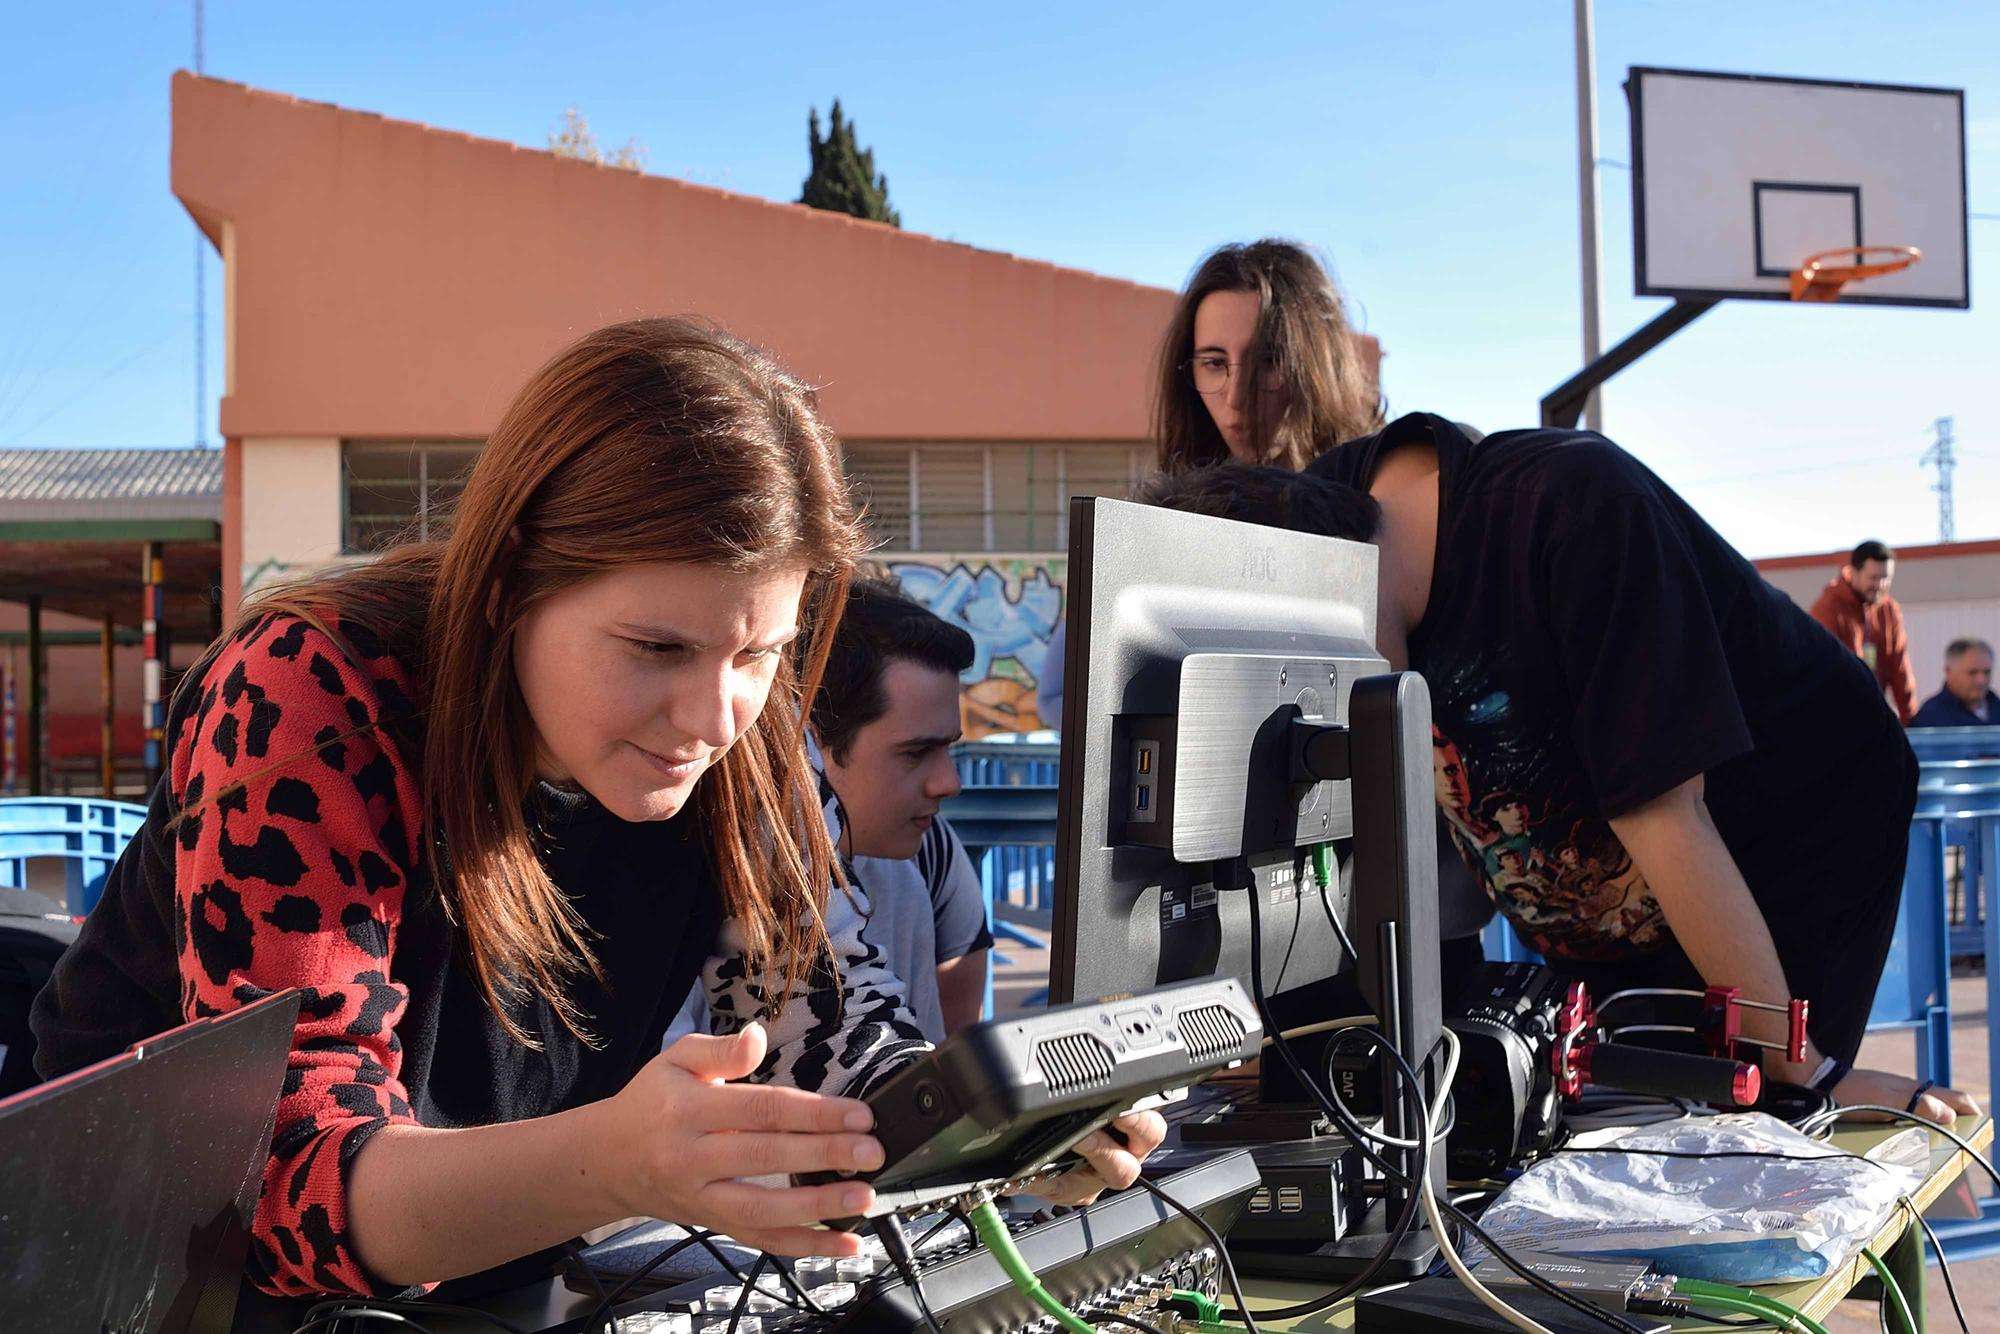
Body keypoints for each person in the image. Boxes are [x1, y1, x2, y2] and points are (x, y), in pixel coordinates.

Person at [28, 319, 1161, 1301]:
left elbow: (836, 1045)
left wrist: (993, 1133)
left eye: (760, 650)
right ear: (513, 577)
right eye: (656, 646)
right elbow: (282, 1190)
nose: (715, 714)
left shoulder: (753, 740)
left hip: (490, 1288)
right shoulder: (311, 693)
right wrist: (614, 1164)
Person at [1136, 417, 1981, 1127]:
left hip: (1778, 837)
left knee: (1752, 1125)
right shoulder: (1316, 517)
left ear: (1331, 587)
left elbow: (1666, 816)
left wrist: (1811, 1076)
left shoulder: (1574, 511)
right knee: (1608, 1131)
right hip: (1609, 889)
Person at [811, 575, 992, 1041]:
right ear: (811, 742)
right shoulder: (710, 877)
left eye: (948, 749)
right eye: (915, 753)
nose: (949, 783)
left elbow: (953, 1061)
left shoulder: (928, 849)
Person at [1153, 239, 1384, 471]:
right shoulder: (1177, 499)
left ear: (1320, 364)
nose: (1236, 398)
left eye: (1269, 361)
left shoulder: (1384, 475)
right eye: (1215, 363)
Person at [1810, 540, 1917, 724]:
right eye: (1874, 578)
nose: (1880, 585)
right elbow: (1823, 673)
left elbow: (1900, 668)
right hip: (1837, 718)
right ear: (1853, 572)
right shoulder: (1828, 609)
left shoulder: (1889, 610)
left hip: (1873, 713)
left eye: (1886, 578)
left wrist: (1911, 723)